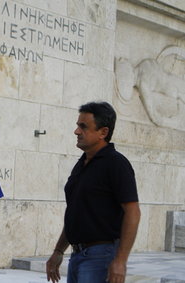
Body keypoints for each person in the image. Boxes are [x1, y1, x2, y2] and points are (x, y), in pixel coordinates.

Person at [46, 102, 140, 283]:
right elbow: (76, 212)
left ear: (103, 132)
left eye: (83, 127)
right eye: (77, 126)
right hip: (77, 256)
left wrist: (120, 261)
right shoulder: (81, 164)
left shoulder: (116, 164)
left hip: (101, 257)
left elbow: (133, 212)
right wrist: (58, 251)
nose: (76, 131)